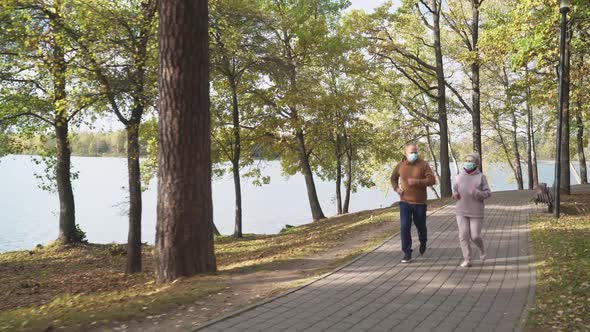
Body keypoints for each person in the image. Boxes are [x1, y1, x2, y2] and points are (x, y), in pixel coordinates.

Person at [391, 144, 436, 263]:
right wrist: (396, 189)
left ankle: (423, 241)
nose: (414, 154)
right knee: (404, 227)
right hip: (405, 201)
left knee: (420, 225)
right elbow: (393, 178)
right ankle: (407, 252)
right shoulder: (400, 165)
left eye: (415, 152)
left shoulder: (423, 164)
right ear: (405, 153)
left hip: (419, 202)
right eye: (411, 152)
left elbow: (432, 180)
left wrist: (417, 181)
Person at [452, 152, 491, 267]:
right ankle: (467, 259)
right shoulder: (459, 176)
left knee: (475, 236)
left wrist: (476, 193)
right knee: (463, 235)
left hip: (476, 211)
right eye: (467, 161)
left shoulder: (481, 177)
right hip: (461, 210)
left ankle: (482, 249)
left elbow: (488, 193)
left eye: (471, 161)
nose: (468, 163)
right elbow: (455, 189)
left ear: (476, 164)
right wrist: (455, 194)